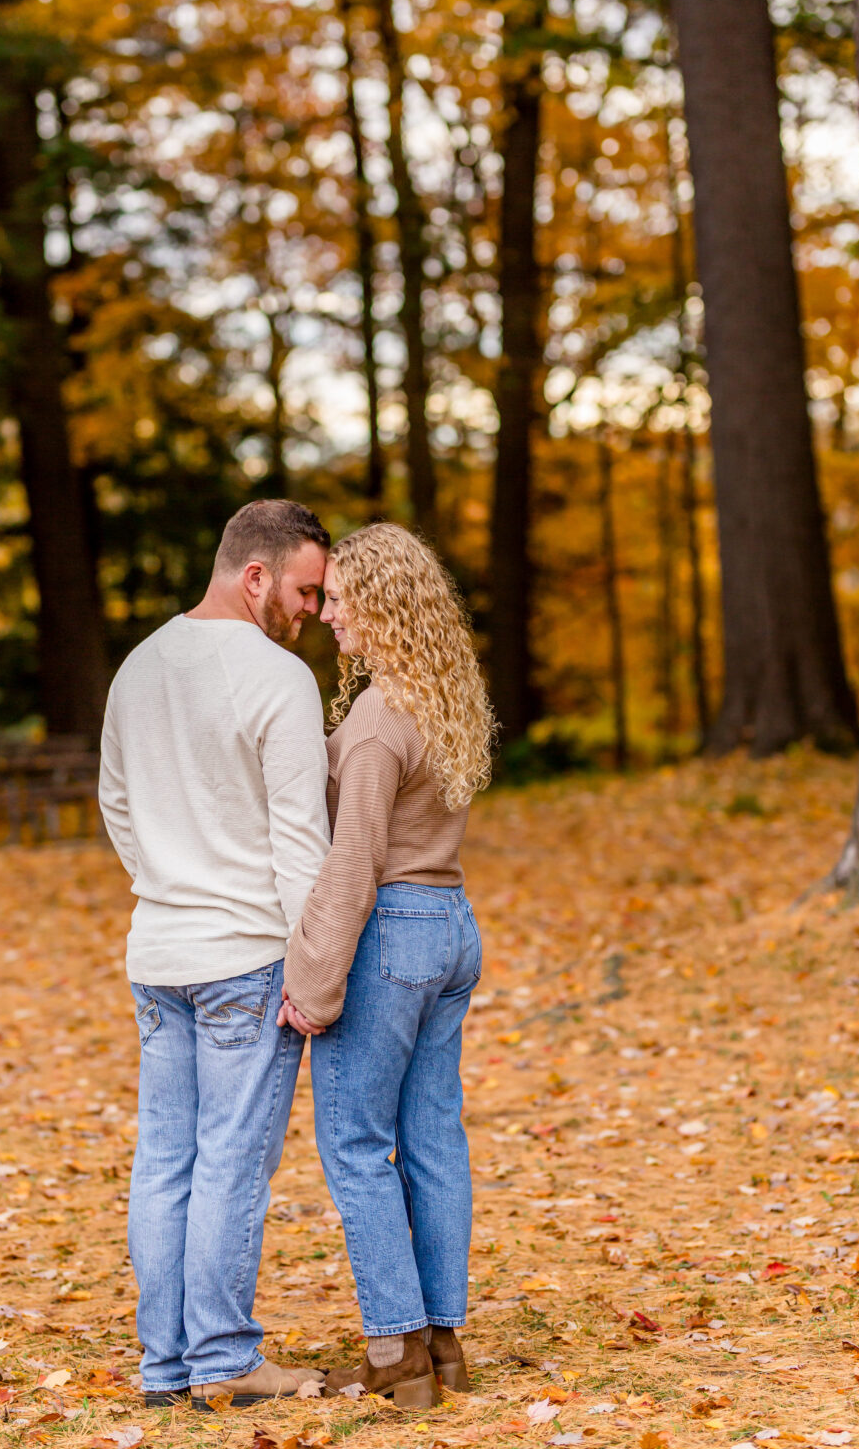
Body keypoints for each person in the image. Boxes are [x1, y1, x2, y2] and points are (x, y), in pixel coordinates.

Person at [99, 500, 332, 1411]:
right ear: (257, 576)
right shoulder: (276, 679)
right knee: (230, 1163)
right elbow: (298, 843)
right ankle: (225, 1357)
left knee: (164, 1160)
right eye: (306, 591)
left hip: (158, 951)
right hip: (244, 955)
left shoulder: (138, 666)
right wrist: (316, 970)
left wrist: (165, 877)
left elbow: (117, 805)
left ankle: (168, 1366)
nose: (312, 611)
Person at [281, 522, 495, 1409]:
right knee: (434, 1138)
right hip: (449, 924)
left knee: (357, 1145)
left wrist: (314, 981)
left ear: (379, 605)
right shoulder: (442, 698)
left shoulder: (374, 718)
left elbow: (356, 858)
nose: (327, 614)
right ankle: (442, 1342)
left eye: (338, 599)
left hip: (395, 935)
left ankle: (395, 1353)